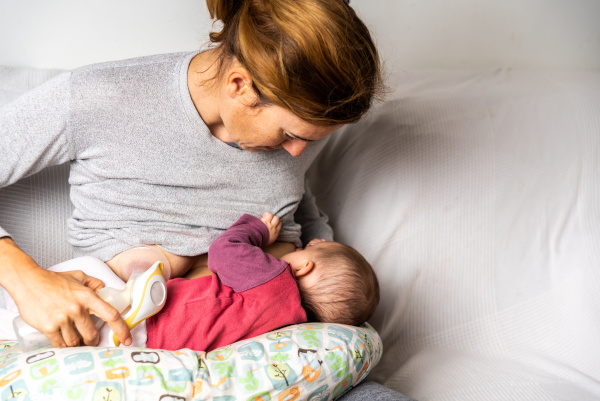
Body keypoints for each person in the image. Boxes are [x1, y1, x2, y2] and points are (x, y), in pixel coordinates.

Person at [0, 0, 409, 399]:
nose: (298, 152)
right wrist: (25, 279)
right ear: (239, 86)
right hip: (132, 359)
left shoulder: (297, 128)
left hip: (280, 360)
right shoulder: (96, 97)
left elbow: (299, 202)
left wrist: (334, 286)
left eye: (313, 139)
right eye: (288, 134)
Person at [1, 212, 380, 351]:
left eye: (309, 250)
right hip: (150, 345)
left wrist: (258, 231)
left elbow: (223, 250)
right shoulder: (289, 325)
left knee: (85, 270)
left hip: (144, 314)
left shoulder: (273, 277)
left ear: (302, 268)